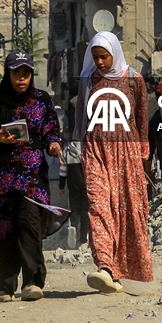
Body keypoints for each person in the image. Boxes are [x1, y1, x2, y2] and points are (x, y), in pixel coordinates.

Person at [0, 51, 64, 302]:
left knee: (29, 224)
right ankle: (6, 285)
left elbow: (51, 128)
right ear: (7, 73)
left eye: (26, 73)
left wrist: (53, 144)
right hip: (1, 176)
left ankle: (32, 282)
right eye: (16, 73)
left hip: (32, 179)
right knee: (3, 230)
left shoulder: (42, 99)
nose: (21, 79)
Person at [77, 31, 153, 294]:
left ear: (115, 54)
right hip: (96, 150)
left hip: (126, 153)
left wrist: (143, 152)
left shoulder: (134, 80)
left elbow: (142, 117)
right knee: (99, 206)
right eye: (95, 57)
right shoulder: (89, 79)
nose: (99, 63)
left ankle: (118, 272)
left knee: (126, 209)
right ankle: (105, 267)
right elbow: (81, 117)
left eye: (104, 57)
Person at [57, 99, 89, 248]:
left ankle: (73, 226)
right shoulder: (88, 151)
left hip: (73, 185)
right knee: (85, 211)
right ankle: (83, 238)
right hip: (86, 186)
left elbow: (63, 170)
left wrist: (61, 186)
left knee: (74, 209)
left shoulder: (67, 150)